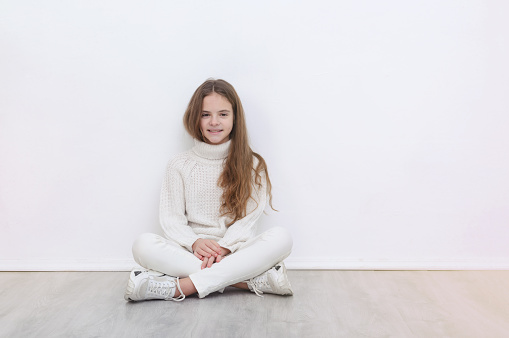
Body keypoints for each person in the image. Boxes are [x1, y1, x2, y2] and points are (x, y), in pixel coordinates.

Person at [124, 79, 293, 301]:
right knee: (143, 245)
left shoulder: (252, 164)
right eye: (205, 115)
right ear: (195, 118)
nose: (214, 122)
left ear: (235, 118)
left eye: (223, 114)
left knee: (282, 238)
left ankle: (178, 288)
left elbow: (247, 221)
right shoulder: (179, 164)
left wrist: (224, 248)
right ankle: (245, 282)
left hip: (235, 252)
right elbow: (171, 220)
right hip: (190, 253)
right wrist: (195, 243)